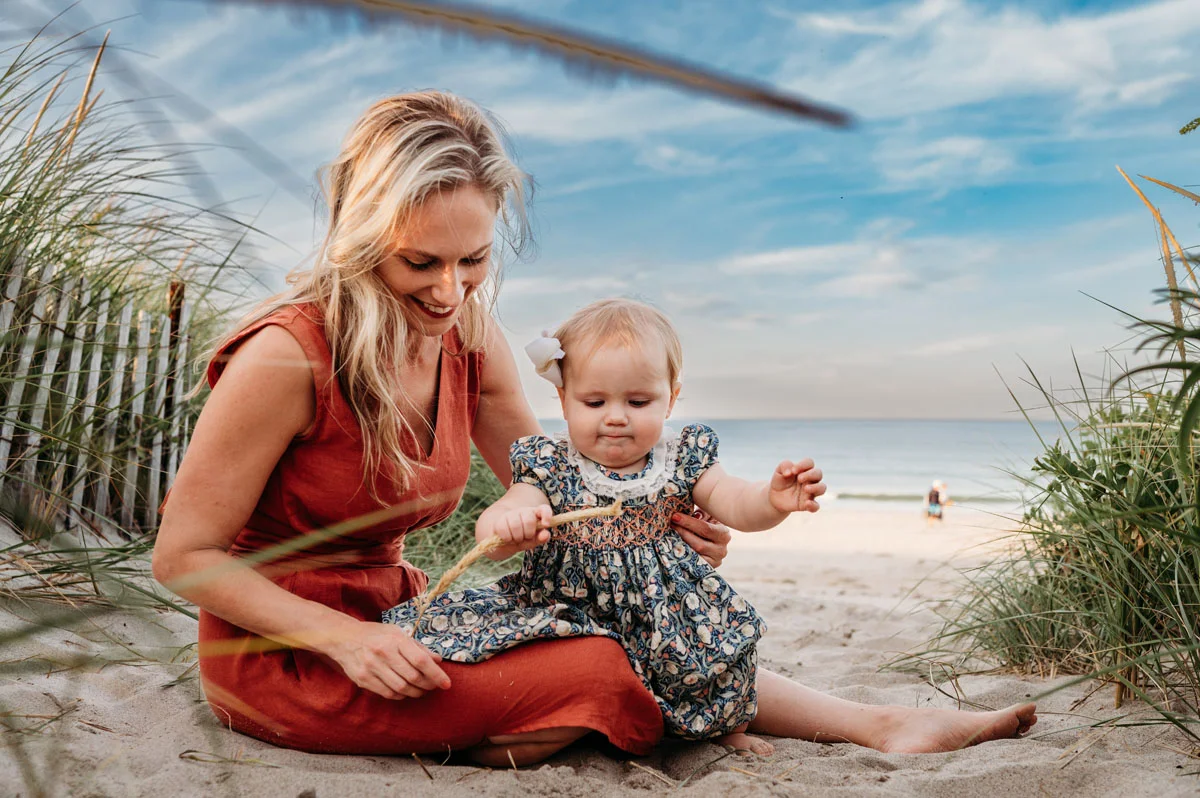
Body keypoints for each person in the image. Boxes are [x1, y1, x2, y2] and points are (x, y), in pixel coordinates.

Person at [153, 90, 1036, 768]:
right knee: (597, 670)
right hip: (290, 652)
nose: (449, 292)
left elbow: (569, 481)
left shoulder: (464, 331)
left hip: (402, 614)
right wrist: (346, 639)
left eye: (474, 260)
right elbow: (182, 557)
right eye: (419, 261)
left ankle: (881, 724)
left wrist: (662, 518)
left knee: (627, 617)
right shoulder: (285, 353)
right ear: (358, 236)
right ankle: (578, 721)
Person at [385, 299, 823, 755]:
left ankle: (718, 731)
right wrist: (508, 524)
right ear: (563, 399)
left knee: (706, 664)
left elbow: (735, 502)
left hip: (664, 609)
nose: (616, 416)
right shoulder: (550, 465)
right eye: (594, 401)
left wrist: (772, 501)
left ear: (671, 398)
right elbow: (502, 520)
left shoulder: (681, 459)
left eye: (638, 401)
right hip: (568, 608)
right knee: (548, 668)